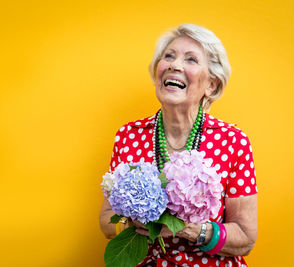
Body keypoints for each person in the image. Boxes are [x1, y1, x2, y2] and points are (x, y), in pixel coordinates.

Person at [100, 23, 257, 267]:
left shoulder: (233, 142)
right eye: (168, 56)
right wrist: (134, 225)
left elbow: (246, 237)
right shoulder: (129, 136)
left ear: (211, 85)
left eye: (191, 59)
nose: (174, 65)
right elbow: (106, 219)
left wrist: (184, 229)